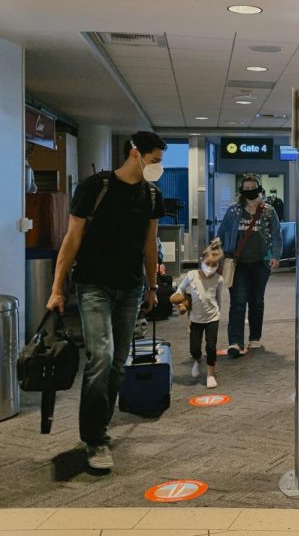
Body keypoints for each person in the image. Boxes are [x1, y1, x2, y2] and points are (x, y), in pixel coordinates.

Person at [46, 131, 167, 470]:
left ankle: (99, 423)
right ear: (135, 154)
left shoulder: (151, 195)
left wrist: (153, 287)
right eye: (154, 160)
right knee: (101, 354)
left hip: (130, 288)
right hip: (93, 284)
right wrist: (57, 287)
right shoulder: (95, 188)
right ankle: (95, 438)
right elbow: (72, 239)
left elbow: (149, 243)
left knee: (117, 364)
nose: (157, 167)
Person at [218, 173, 283, 358]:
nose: (249, 191)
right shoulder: (233, 211)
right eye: (245, 189)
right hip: (238, 264)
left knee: (256, 301)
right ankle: (235, 343)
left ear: (259, 188)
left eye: (252, 188)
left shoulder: (269, 211)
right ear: (241, 191)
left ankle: (255, 336)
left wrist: (276, 256)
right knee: (237, 302)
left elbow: (277, 234)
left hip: (261, 263)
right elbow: (221, 233)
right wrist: (218, 256)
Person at [171, 239, 224, 389]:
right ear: (202, 260)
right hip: (195, 318)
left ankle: (210, 374)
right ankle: (198, 360)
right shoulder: (191, 275)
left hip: (213, 317)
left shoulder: (218, 280)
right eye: (208, 264)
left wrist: (218, 313)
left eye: (214, 265)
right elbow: (180, 290)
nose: (210, 267)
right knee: (194, 348)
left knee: (211, 347)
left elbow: (219, 299)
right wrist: (180, 301)